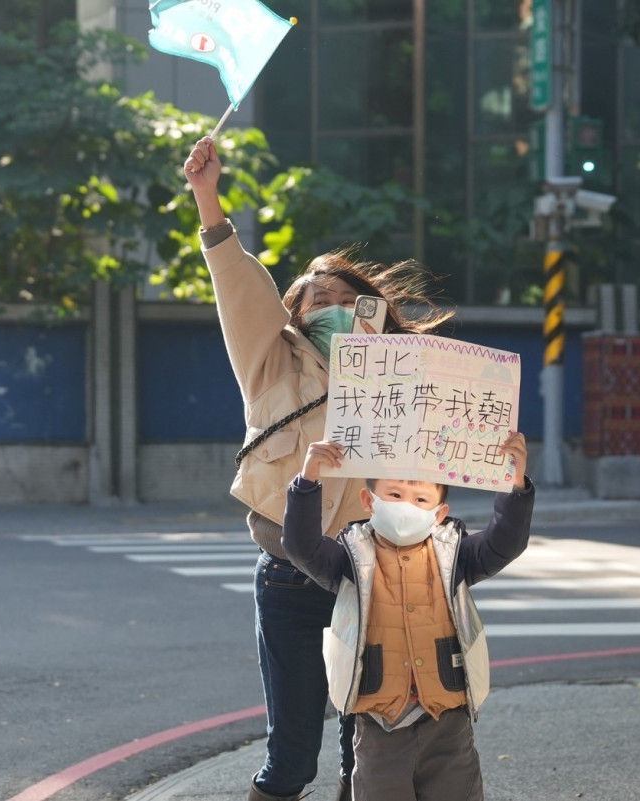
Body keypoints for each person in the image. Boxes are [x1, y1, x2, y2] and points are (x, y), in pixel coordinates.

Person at [183, 136, 452, 801]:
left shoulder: (404, 376)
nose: (327, 305)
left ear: (369, 307)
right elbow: (239, 289)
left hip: (375, 580)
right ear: (294, 315)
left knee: (365, 756)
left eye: (343, 296)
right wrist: (207, 199)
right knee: (290, 759)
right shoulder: (270, 363)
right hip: (290, 576)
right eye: (313, 298)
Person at [281, 433, 534, 801]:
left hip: (448, 719)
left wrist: (516, 485)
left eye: (420, 499)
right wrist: (308, 480)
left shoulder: (455, 556)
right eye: (394, 495)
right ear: (369, 500)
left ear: (439, 513)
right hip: (379, 723)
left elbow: (506, 542)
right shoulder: (349, 557)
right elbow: (300, 546)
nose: (406, 507)